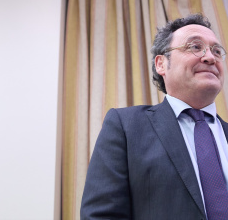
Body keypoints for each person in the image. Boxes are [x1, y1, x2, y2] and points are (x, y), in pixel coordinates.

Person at [80, 13, 228, 220]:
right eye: (195, 47)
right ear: (161, 64)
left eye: (217, 50)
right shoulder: (126, 127)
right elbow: (101, 215)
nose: (210, 57)